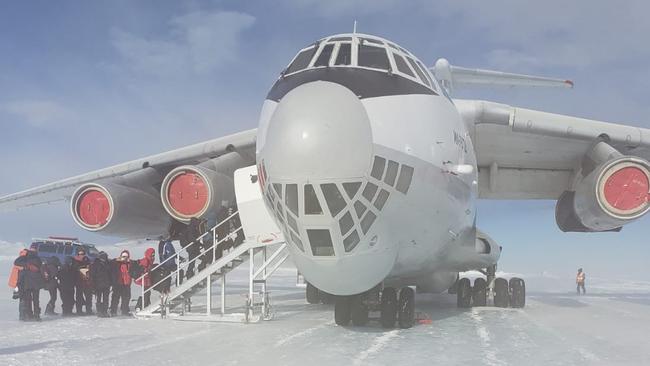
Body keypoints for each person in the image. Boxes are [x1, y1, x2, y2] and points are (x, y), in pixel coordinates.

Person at [15, 250, 45, 321]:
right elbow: (40, 268)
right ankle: (37, 316)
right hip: (36, 283)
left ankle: (29, 315)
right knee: (36, 300)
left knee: (28, 300)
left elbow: (16, 262)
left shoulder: (25, 259)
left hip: (27, 283)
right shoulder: (38, 259)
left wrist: (24, 257)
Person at [110, 250, 141, 316]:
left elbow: (137, 265)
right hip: (118, 283)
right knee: (115, 298)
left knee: (126, 298)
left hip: (127, 283)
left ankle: (124, 311)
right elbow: (111, 263)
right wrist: (117, 260)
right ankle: (113, 311)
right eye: (123, 256)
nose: (125, 258)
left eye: (126, 257)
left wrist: (131, 262)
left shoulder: (130, 263)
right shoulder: (117, 262)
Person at [90, 251, 112, 317]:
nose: (104, 258)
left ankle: (105, 311)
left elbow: (111, 274)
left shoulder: (108, 264)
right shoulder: (95, 264)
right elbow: (92, 276)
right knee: (98, 299)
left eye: (105, 256)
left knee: (106, 299)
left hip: (106, 285)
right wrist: (93, 287)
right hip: (98, 285)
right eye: (102, 256)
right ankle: (99, 311)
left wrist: (111, 283)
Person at [9, 249, 29, 320]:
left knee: (22, 299)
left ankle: (22, 315)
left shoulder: (18, 260)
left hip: (18, 283)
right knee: (23, 299)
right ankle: (23, 316)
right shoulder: (22, 261)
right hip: (21, 283)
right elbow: (20, 275)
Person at [73, 249, 93, 315]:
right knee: (79, 297)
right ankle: (79, 311)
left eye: (82, 254)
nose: (81, 255)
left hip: (87, 281)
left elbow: (90, 269)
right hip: (79, 282)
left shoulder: (87, 260)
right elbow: (74, 270)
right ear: (77, 254)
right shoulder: (75, 261)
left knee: (89, 296)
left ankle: (89, 310)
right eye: (80, 254)